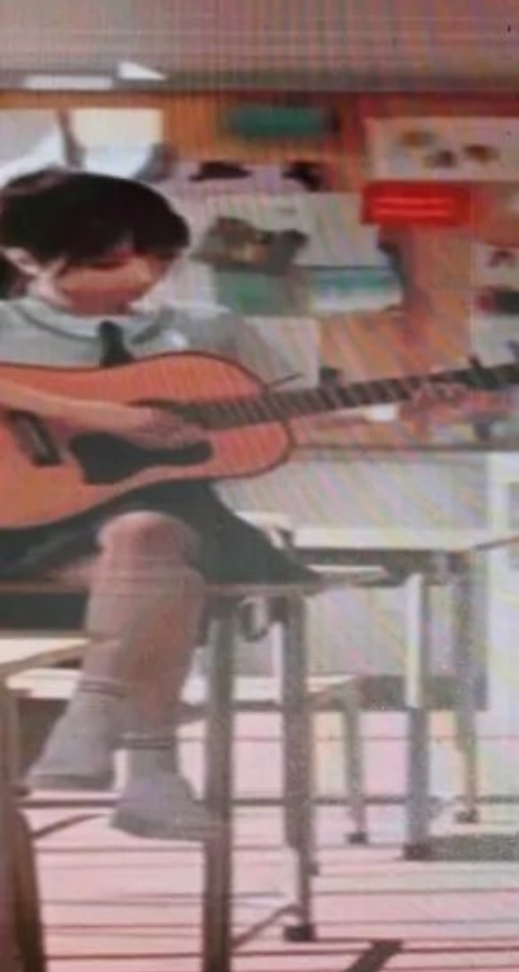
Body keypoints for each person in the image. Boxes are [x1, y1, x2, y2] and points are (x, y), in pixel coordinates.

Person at [0, 168, 317, 840]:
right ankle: (153, 774)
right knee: (166, 584)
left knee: (148, 533)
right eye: (108, 262)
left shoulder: (205, 328)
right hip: (25, 530)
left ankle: (91, 715)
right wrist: (100, 415)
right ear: (26, 259)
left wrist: (410, 407)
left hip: (172, 518)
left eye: (161, 258)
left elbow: (282, 414)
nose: (142, 276)